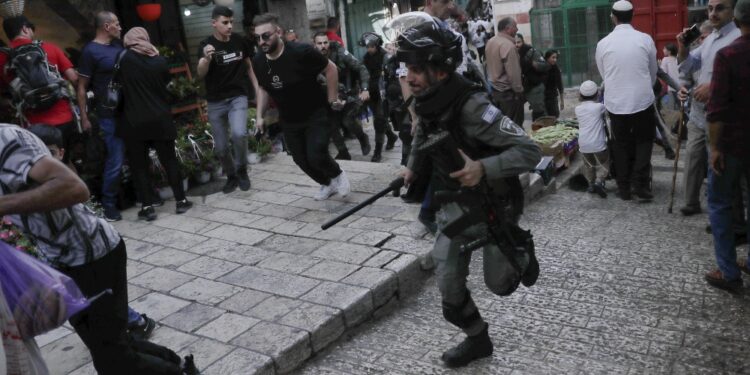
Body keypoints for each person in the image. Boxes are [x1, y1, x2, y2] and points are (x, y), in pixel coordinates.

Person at [397, 18, 542, 368]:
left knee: (500, 284)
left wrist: (483, 168)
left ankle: (520, 248)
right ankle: (478, 340)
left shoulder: (473, 106)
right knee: (449, 293)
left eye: (417, 69)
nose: (409, 77)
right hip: (453, 208)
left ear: (442, 70)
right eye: (407, 69)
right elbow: (422, 133)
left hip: (493, 205)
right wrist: (411, 166)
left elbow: (530, 152)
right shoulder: (424, 99)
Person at [0, 123, 199, 374]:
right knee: (108, 346)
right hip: (62, 265)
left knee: (112, 361)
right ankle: (181, 366)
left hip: (93, 257)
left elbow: (74, 188)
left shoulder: (7, 140)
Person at [27, 124, 157, 340]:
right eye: (34, 153)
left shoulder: (61, 182)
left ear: (60, 153)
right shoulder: (37, 181)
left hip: (91, 254)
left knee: (103, 299)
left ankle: (137, 322)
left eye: (47, 153)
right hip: (66, 258)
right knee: (94, 300)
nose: (41, 160)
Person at [251, 13, 351, 201]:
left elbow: (331, 69)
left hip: (315, 112)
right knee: (300, 160)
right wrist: (260, 117)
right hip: (289, 119)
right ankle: (326, 183)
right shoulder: (258, 61)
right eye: (257, 38)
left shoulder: (301, 52)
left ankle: (337, 174)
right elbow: (263, 88)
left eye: (266, 36)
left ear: (278, 32)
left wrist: (332, 99)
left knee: (316, 154)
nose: (261, 41)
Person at [117, 27, 193, 221]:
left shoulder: (123, 59)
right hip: (160, 118)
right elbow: (166, 86)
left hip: (134, 121)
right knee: (169, 161)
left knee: (139, 166)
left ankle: (148, 207)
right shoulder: (160, 61)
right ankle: (181, 201)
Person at [677, 0, 741, 216]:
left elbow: (740, 79)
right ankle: (692, 202)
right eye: (710, 8)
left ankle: (727, 218)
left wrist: (712, 88)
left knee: (719, 165)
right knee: (694, 156)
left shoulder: (738, 38)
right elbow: (688, 65)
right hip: (698, 112)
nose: (713, 13)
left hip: (723, 115)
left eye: (720, 8)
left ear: (733, 10)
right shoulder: (710, 39)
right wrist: (683, 48)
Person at [703, 0, 750, 292]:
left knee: (720, 203)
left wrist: (715, 147)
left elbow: (716, 109)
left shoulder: (728, 54)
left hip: (732, 144)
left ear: (736, 17)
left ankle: (729, 271)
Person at [595, 0, 658, 202]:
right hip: (642, 100)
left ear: (613, 17)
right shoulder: (645, 39)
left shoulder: (603, 43)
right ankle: (640, 183)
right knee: (644, 141)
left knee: (620, 144)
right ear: (633, 16)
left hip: (616, 102)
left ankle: (624, 188)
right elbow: (653, 73)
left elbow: (604, 73)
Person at [0, 16, 78, 159]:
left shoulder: (3, 58)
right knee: (65, 163)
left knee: (43, 168)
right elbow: (73, 78)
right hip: (63, 117)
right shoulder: (49, 48)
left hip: (33, 125)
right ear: (24, 28)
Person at [197, 5, 255, 194]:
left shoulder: (240, 41)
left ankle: (242, 169)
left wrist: (257, 87)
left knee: (239, 133)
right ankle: (231, 176)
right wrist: (206, 58)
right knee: (221, 148)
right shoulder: (206, 44)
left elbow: (249, 66)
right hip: (215, 102)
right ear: (214, 23)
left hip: (238, 96)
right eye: (225, 22)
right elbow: (200, 73)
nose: (229, 26)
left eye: (231, 22)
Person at [76, 11, 126, 222]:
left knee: (135, 152)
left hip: (130, 109)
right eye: (116, 24)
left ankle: (143, 195)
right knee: (115, 158)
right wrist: (84, 116)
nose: (120, 27)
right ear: (107, 26)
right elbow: (81, 87)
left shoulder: (118, 46)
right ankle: (108, 204)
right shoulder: (90, 51)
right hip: (108, 113)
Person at [312, 32, 372, 159]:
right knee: (331, 124)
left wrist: (365, 89)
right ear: (314, 45)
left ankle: (362, 137)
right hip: (328, 94)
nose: (323, 46)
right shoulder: (311, 57)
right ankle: (343, 151)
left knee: (348, 121)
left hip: (349, 92)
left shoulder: (339, 52)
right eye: (319, 43)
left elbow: (361, 68)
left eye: (325, 42)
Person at [361, 32, 399, 162]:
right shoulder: (366, 57)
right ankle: (391, 136)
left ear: (377, 45)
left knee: (379, 120)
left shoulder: (386, 57)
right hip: (371, 93)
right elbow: (363, 74)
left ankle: (377, 151)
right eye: (367, 47)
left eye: (371, 46)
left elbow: (391, 77)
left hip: (384, 93)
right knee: (379, 119)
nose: (369, 49)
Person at [485, 17, 525, 127]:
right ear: (508, 28)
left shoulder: (491, 41)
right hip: (508, 95)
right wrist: (519, 91)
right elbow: (514, 73)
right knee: (514, 127)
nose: (517, 29)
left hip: (494, 90)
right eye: (515, 27)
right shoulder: (508, 46)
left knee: (501, 126)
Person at [575, 81, 609, 198]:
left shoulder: (578, 109)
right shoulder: (599, 107)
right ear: (597, 94)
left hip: (583, 144)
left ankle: (591, 184)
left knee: (589, 165)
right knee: (604, 164)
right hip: (598, 143)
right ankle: (599, 181)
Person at [517, 35, 551, 121]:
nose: (516, 45)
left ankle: (544, 131)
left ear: (523, 42)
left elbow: (545, 66)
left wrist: (535, 64)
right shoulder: (511, 53)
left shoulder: (531, 52)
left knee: (539, 113)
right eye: (514, 43)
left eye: (518, 42)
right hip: (520, 88)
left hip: (534, 87)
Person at [543, 50, 564, 118]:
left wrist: (562, 101)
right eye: (553, 57)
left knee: (554, 117)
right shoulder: (542, 68)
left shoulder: (556, 69)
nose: (555, 60)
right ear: (547, 58)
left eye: (556, 58)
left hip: (552, 98)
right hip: (542, 98)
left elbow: (560, 85)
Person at [660, 42, 680, 108]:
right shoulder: (679, 58)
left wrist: (660, 65)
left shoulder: (665, 60)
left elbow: (663, 74)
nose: (663, 50)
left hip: (672, 87)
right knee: (681, 107)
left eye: (664, 48)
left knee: (672, 107)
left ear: (669, 52)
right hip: (682, 86)